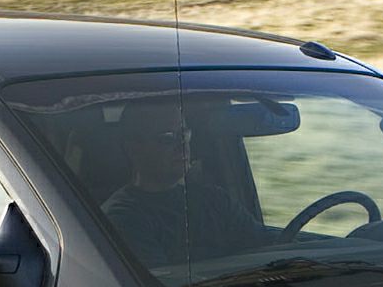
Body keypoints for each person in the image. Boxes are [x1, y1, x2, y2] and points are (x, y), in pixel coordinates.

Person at [101, 107, 268, 269]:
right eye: (167, 138)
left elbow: (267, 244)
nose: (182, 145)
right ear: (133, 148)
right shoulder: (122, 217)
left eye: (184, 134)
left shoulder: (216, 199)